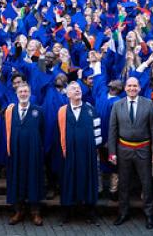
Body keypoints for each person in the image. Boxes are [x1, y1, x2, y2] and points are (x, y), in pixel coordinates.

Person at [108, 76, 153, 229]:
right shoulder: (117, 105)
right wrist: (112, 152)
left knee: (146, 182)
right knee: (124, 183)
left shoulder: (148, 103)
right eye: (129, 86)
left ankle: (149, 214)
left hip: (143, 149)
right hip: (123, 149)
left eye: (134, 86)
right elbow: (112, 130)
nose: (132, 88)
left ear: (139, 88)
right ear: (125, 88)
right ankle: (123, 212)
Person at [58, 81, 102, 225]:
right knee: (68, 180)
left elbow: (97, 132)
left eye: (79, 88)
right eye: (73, 89)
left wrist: (95, 150)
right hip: (69, 153)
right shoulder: (62, 111)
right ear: (67, 94)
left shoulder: (91, 110)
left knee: (88, 180)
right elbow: (58, 133)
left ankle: (90, 212)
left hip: (87, 153)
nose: (77, 90)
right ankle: (66, 212)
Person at [4, 82, 46, 225]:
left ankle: (35, 212)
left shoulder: (38, 111)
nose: (23, 94)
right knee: (17, 180)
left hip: (33, 153)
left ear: (30, 93)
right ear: (16, 94)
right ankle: (18, 211)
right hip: (16, 153)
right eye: (20, 92)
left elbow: (43, 131)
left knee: (34, 179)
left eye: (26, 91)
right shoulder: (10, 111)